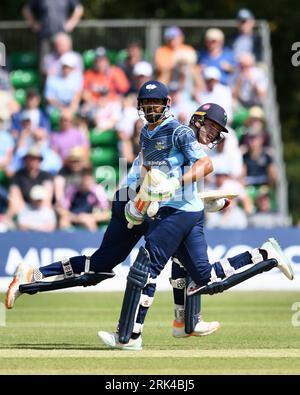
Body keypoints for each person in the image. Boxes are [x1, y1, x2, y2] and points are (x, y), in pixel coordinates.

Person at [6, 84, 294, 350]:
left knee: (186, 273)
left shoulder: (178, 136)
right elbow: (158, 178)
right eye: (209, 126)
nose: (211, 133)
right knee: (114, 268)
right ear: (195, 119)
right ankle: (156, 328)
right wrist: (139, 202)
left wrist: (197, 199)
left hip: (159, 208)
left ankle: (175, 324)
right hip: (134, 202)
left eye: (217, 130)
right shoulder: (162, 132)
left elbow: (184, 177)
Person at [23, 0, 84, 69]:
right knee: (44, 66)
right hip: (45, 36)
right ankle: (45, 79)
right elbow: (26, 9)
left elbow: (79, 8)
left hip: (62, 36)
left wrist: (71, 23)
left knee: (67, 64)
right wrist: (33, 24)